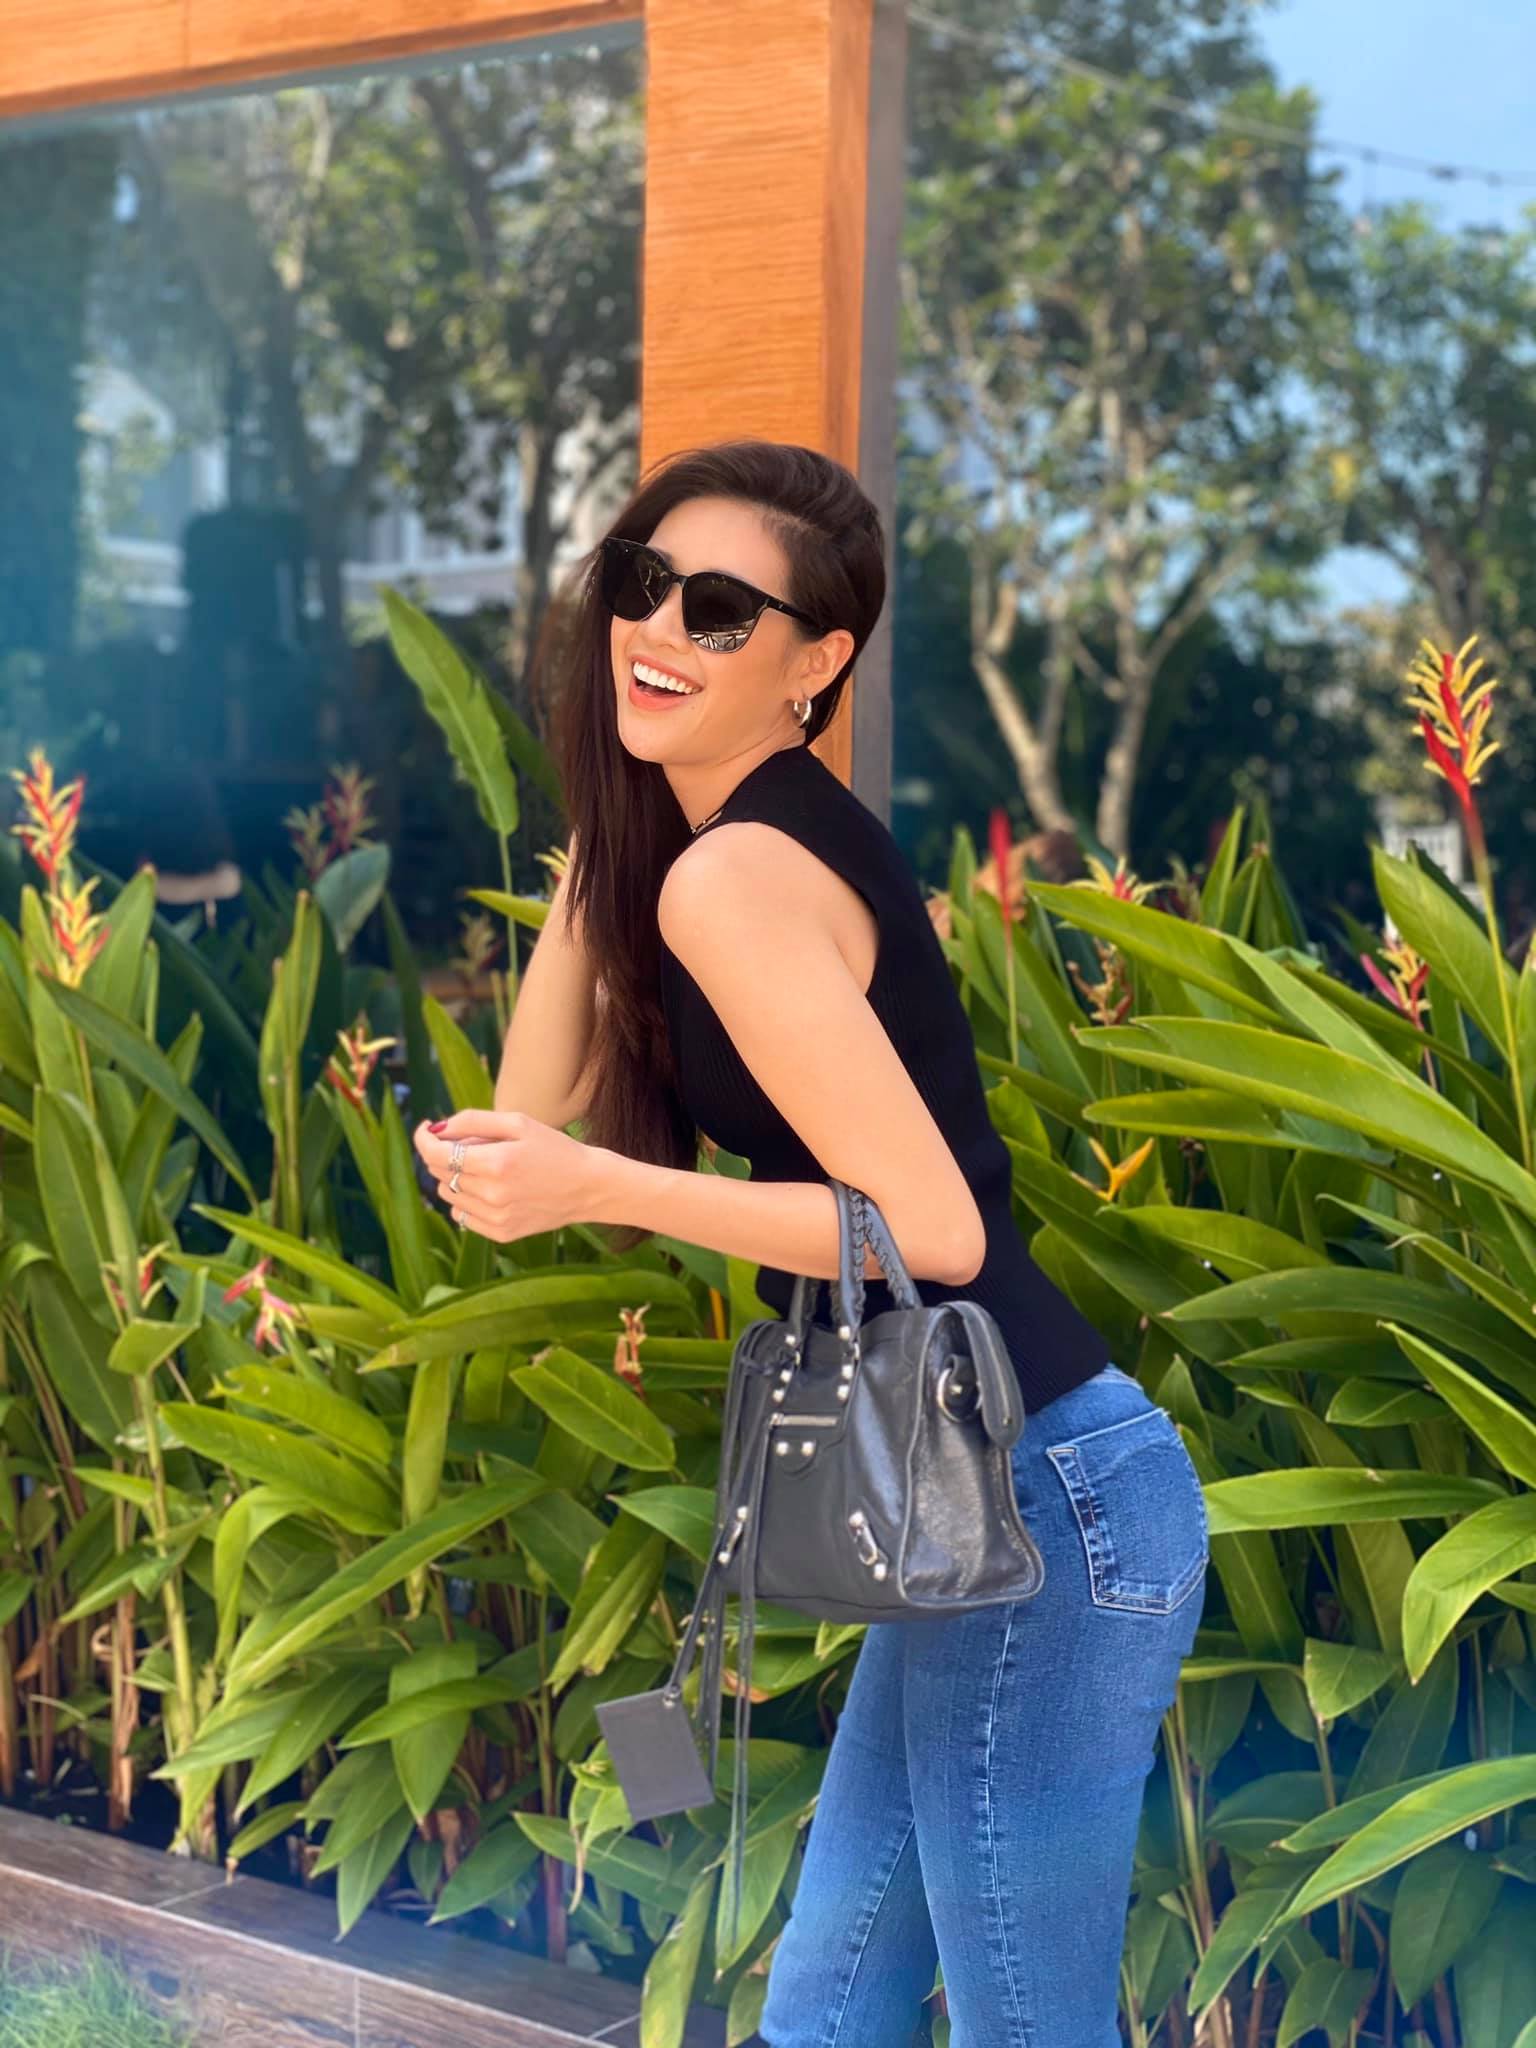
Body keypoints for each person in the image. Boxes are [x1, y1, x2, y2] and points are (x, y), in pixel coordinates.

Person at [413, 439, 1209, 2047]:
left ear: (814, 665)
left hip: (1041, 1497)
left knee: (1022, 2023)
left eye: (718, 611)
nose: (658, 628)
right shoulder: (709, 853)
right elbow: (531, 1105)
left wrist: (602, 1188)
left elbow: (930, 1230)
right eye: (641, 584)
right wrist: (607, 824)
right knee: (829, 2006)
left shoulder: (741, 875)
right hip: (996, 1485)